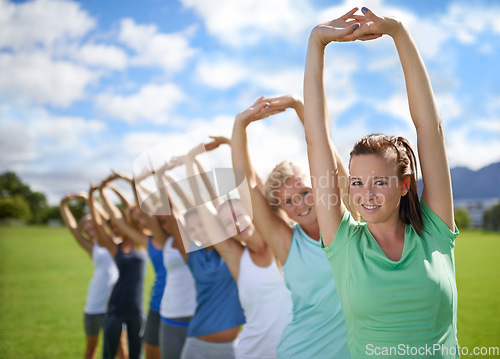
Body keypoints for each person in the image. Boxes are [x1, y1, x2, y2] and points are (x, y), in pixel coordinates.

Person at [303, 7, 459, 358]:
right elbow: (316, 138)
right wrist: (317, 43)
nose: (365, 195)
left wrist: (399, 33)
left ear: (405, 184)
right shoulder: (343, 243)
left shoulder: (434, 231)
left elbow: (430, 129)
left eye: (379, 182)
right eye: (356, 182)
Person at [231, 95, 352, 358]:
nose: (300, 204)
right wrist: (240, 125)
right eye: (288, 201)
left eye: (305, 192)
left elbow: (324, 149)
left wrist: (298, 104)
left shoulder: (347, 222)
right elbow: (246, 184)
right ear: (280, 209)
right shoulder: (286, 243)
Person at [184, 137, 293, 359]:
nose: (235, 223)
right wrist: (189, 159)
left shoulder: (282, 239)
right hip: (251, 353)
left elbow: (254, 184)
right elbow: (203, 208)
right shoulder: (237, 258)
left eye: (239, 214)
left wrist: (233, 145)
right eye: (227, 223)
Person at [60, 194, 128, 359]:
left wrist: (88, 200)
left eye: (93, 225)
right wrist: (63, 205)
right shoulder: (92, 247)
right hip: (93, 306)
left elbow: (106, 219)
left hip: (114, 306)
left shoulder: (116, 240)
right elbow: (72, 228)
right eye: (87, 229)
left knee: (122, 351)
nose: (91, 230)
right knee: (91, 351)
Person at [88, 176, 148, 359]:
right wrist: (93, 196)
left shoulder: (142, 241)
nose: (116, 228)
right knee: (109, 353)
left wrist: (115, 187)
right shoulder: (116, 248)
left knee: (136, 354)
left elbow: (132, 208)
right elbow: (99, 226)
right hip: (115, 306)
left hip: (136, 308)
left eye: (118, 223)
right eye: (113, 226)